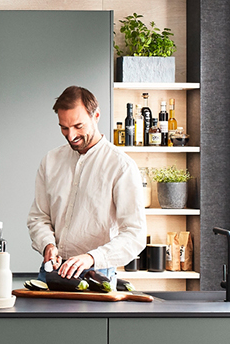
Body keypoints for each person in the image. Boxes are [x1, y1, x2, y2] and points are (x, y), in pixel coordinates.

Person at [26, 85, 147, 283]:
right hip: (52, 271)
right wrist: (47, 245)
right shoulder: (50, 161)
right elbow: (39, 217)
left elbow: (135, 234)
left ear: (96, 116)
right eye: (64, 128)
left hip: (97, 273)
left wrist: (91, 258)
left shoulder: (121, 166)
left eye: (78, 126)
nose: (71, 135)